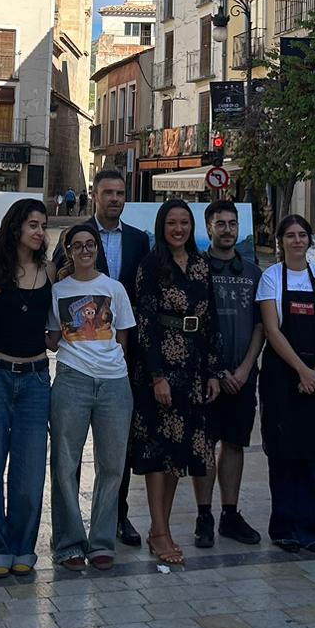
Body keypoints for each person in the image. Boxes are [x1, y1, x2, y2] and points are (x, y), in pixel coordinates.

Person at [57, 167, 151, 546]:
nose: (115, 198)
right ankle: (69, 527)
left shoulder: (140, 241)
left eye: (120, 193)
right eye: (108, 192)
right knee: (70, 456)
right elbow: (58, 289)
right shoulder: (74, 237)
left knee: (117, 452)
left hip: (119, 359)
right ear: (94, 195)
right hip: (79, 363)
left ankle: (117, 517)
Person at [130, 200, 221, 567]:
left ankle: (160, 528)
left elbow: (211, 320)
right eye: (172, 223)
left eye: (185, 222)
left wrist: (213, 371)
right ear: (161, 226)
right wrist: (157, 376)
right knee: (156, 448)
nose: (179, 229)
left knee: (178, 452)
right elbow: (146, 324)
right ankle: (159, 528)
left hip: (194, 368)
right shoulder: (152, 265)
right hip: (160, 371)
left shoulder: (200, 265)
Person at [46, 222, 136, 570]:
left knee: (112, 465)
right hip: (72, 380)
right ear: (67, 251)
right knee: (65, 464)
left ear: (97, 249)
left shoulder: (114, 288)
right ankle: (68, 542)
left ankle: (101, 541)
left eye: (90, 244)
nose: (85, 250)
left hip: (114, 383)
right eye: (77, 245)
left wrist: (113, 364)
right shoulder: (57, 290)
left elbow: (122, 334)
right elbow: (54, 338)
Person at [0, 199, 52, 577]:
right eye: (33, 225)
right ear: (16, 227)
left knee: (30, 469)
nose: (39, 232)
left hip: (36, 378)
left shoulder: (50, 271)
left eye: (43, 226)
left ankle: (23, 547)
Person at [256, 214, 315, 553]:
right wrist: (301, 371)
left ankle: (310, 527)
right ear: (281, 241)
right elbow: (272, 330)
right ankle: (283, 527)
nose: (296, 240)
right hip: (281, 375)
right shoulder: (270, 279)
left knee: (312, 454)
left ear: (310, 240)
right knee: (283, 454)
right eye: (289, 235)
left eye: (301, 234)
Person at [192, 199, 263, 548]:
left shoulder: (252, 272)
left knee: (235, 445)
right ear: (208, 228)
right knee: (204, 446)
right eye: (220, 223)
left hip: (243, 375)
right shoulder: (196, 269)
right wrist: (216, 372)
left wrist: (246, 368)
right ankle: (203, 515)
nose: (227, 229)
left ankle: (229, 514)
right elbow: (194, 328)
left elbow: (262, 326)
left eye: (232, 223)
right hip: (206, 379)